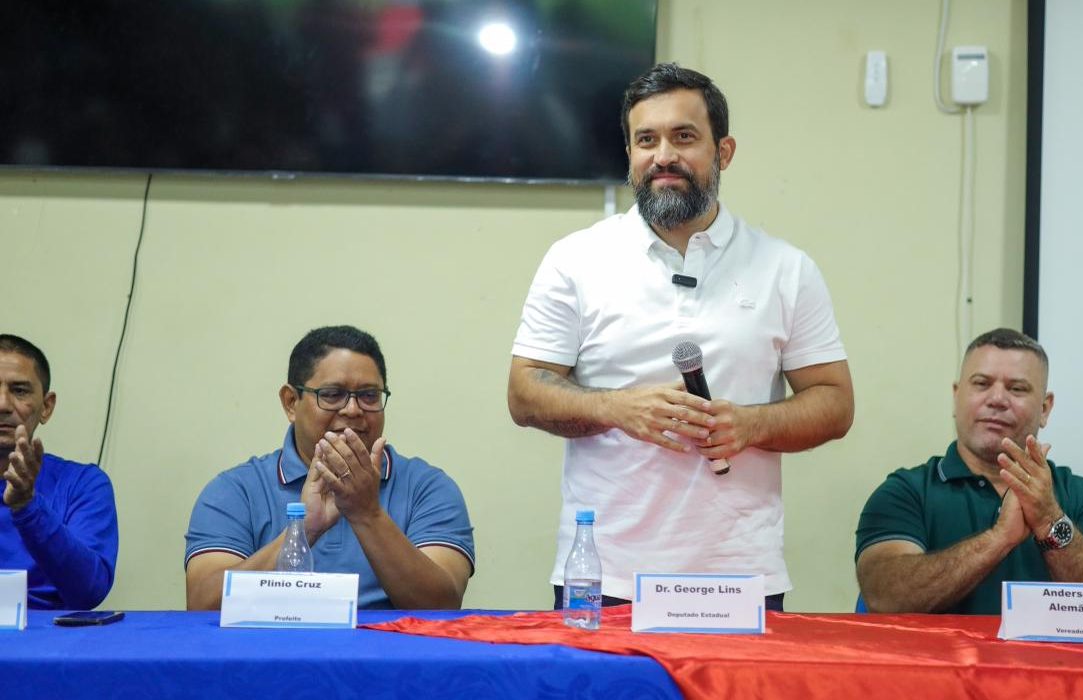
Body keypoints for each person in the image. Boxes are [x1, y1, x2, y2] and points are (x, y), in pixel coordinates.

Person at [508, 63, 854, 611]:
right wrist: (617, 409)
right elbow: (525, 394)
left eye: (684, 137)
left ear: (725, 152)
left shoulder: (786, 268)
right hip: (604, 575)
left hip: (740, 578)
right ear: (630, 154)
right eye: (646, 140)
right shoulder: (575, 259)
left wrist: (752, 423)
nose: (662, 155)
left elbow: (835, 404)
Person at [185, 326, 474, 610]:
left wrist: (366, 513)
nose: (352, 409)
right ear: (290, 402)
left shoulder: (427, 488)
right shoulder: (236, 491)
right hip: (272, 654)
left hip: (387, 654)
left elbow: (442, 605)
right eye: (333, 394)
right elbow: (202, 605)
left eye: (369, 395)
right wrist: (301, 532)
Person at [855, 328, 1083, 614]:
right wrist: (999, 539)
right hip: (940, 660)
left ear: (1045, 408)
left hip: (1050, 661)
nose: (997, 399)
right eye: (981, 383)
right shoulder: (906, 491)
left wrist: (1049, 519)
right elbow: (885, 598)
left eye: (1017, 388)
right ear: (956, 396)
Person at [0, 334, 118, 609]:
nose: (3, 404)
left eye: (19, 390)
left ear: (46, 406)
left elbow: (89, 591)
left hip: (46, 644)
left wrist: (27, 508)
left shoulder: (83, 484)